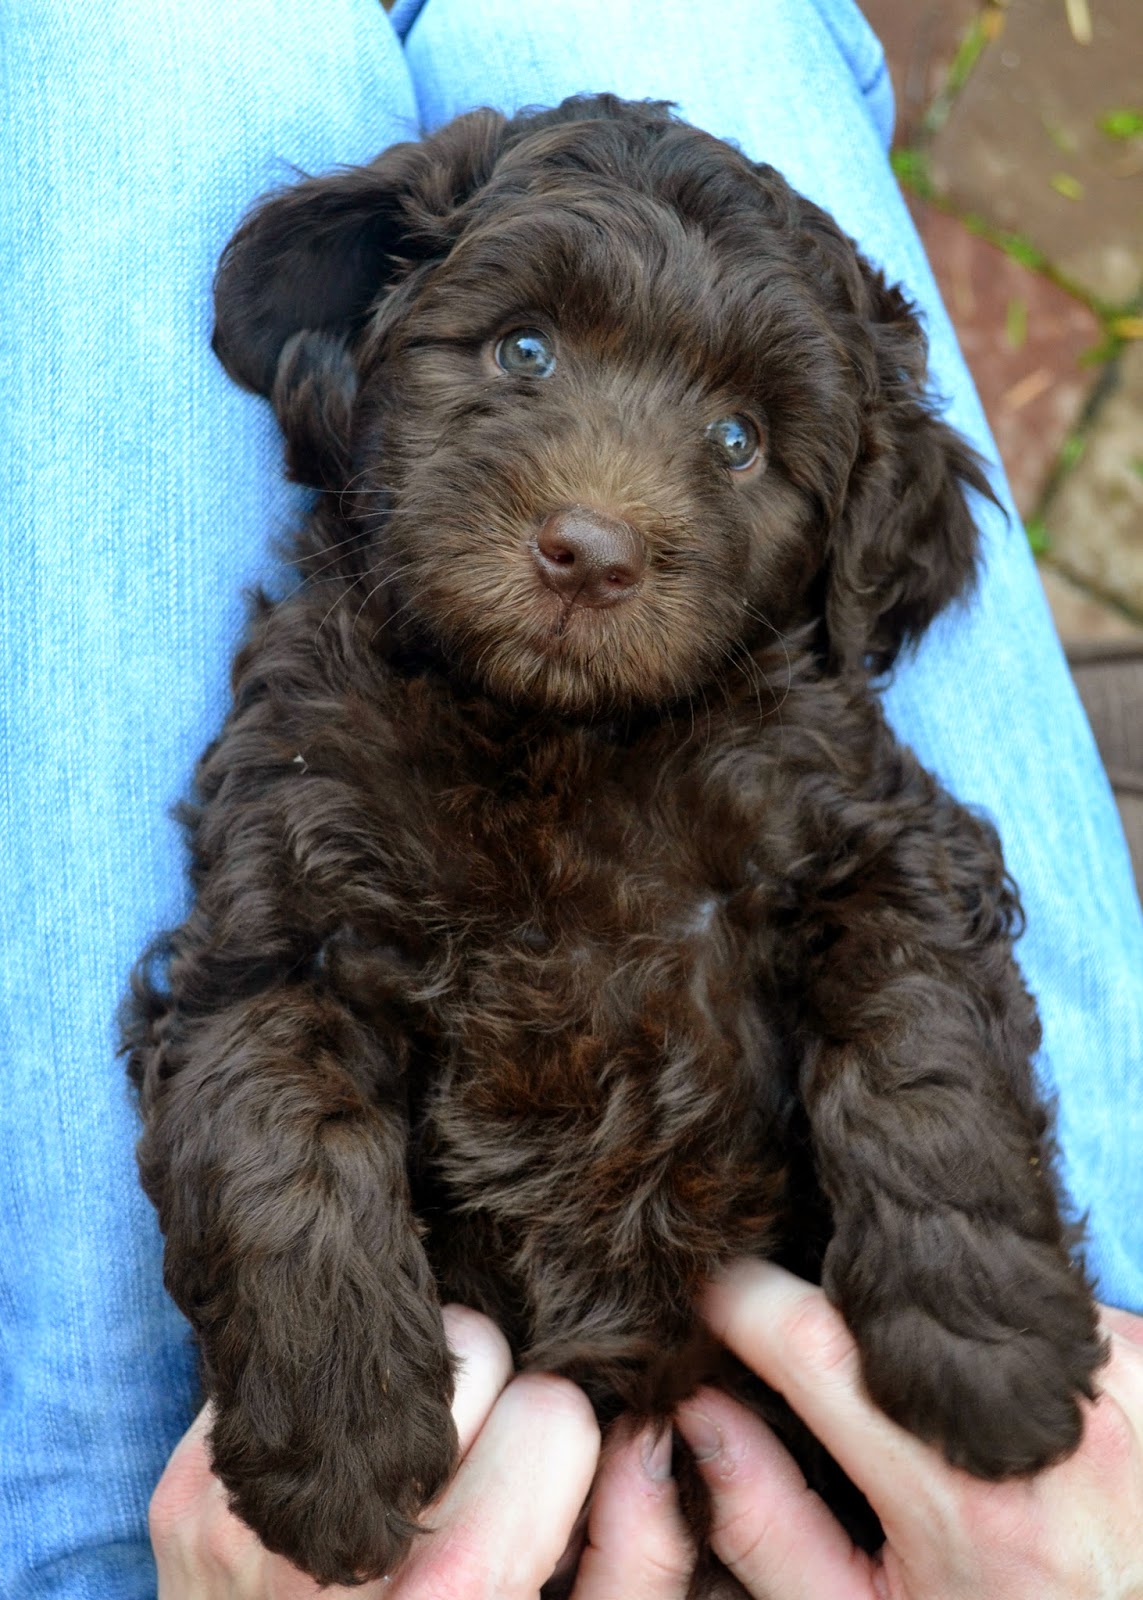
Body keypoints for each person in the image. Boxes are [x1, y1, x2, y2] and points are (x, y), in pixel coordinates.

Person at [2, 1, 1141, 1596]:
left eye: (740, 438)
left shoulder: (778, 738)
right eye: (523, 348)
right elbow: (261, 1012)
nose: (603, 512)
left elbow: (896, 905)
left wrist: (940, 1210)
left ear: (842, 546)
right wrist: (300, 1284)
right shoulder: (339, 715)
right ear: (378, 346)